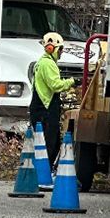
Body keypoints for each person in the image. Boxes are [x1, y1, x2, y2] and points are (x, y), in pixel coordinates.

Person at [29, 32, 75, 165]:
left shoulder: (41, 62)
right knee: (49, 145)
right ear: (51, 48)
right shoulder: (48, 64)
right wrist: (71, 82)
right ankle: (45, 171)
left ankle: (45, 170)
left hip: (41, 108)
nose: (61, 52)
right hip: (46, 110)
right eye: (60, 49)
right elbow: (55, 85)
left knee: (47, 144)